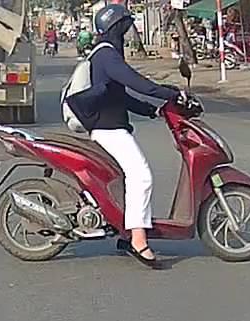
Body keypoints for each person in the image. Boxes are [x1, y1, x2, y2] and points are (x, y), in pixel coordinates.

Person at [66, 4, 182, 268]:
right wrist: (170, 93)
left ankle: (126, 232)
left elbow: (120, 96)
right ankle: (138, 240)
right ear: (115, 27)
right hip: (109, 130)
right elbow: (136, 82)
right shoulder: (107, 55)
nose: (128, 31)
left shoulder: (105, 52)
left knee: (127, 179)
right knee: (141, 176)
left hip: (111, 127)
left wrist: (153, 110)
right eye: (125, 26)